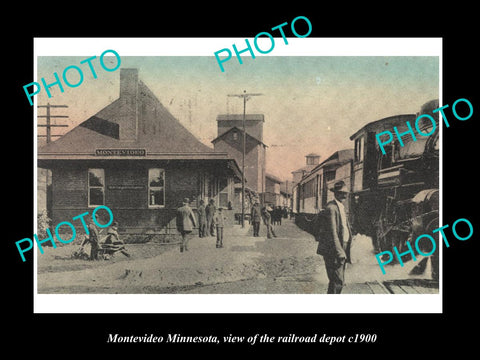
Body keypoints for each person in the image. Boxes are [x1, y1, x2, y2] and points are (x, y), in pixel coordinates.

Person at [316, 181, 353, 294]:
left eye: (346, 193)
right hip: (333, 248)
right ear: (336, 193)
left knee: (337, 280)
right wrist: (339, 251)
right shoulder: (331, 208)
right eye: (342, 193)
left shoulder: (340, 206)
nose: (345, 196)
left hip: (342, 245)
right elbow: (332, 233)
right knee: (338, 280)